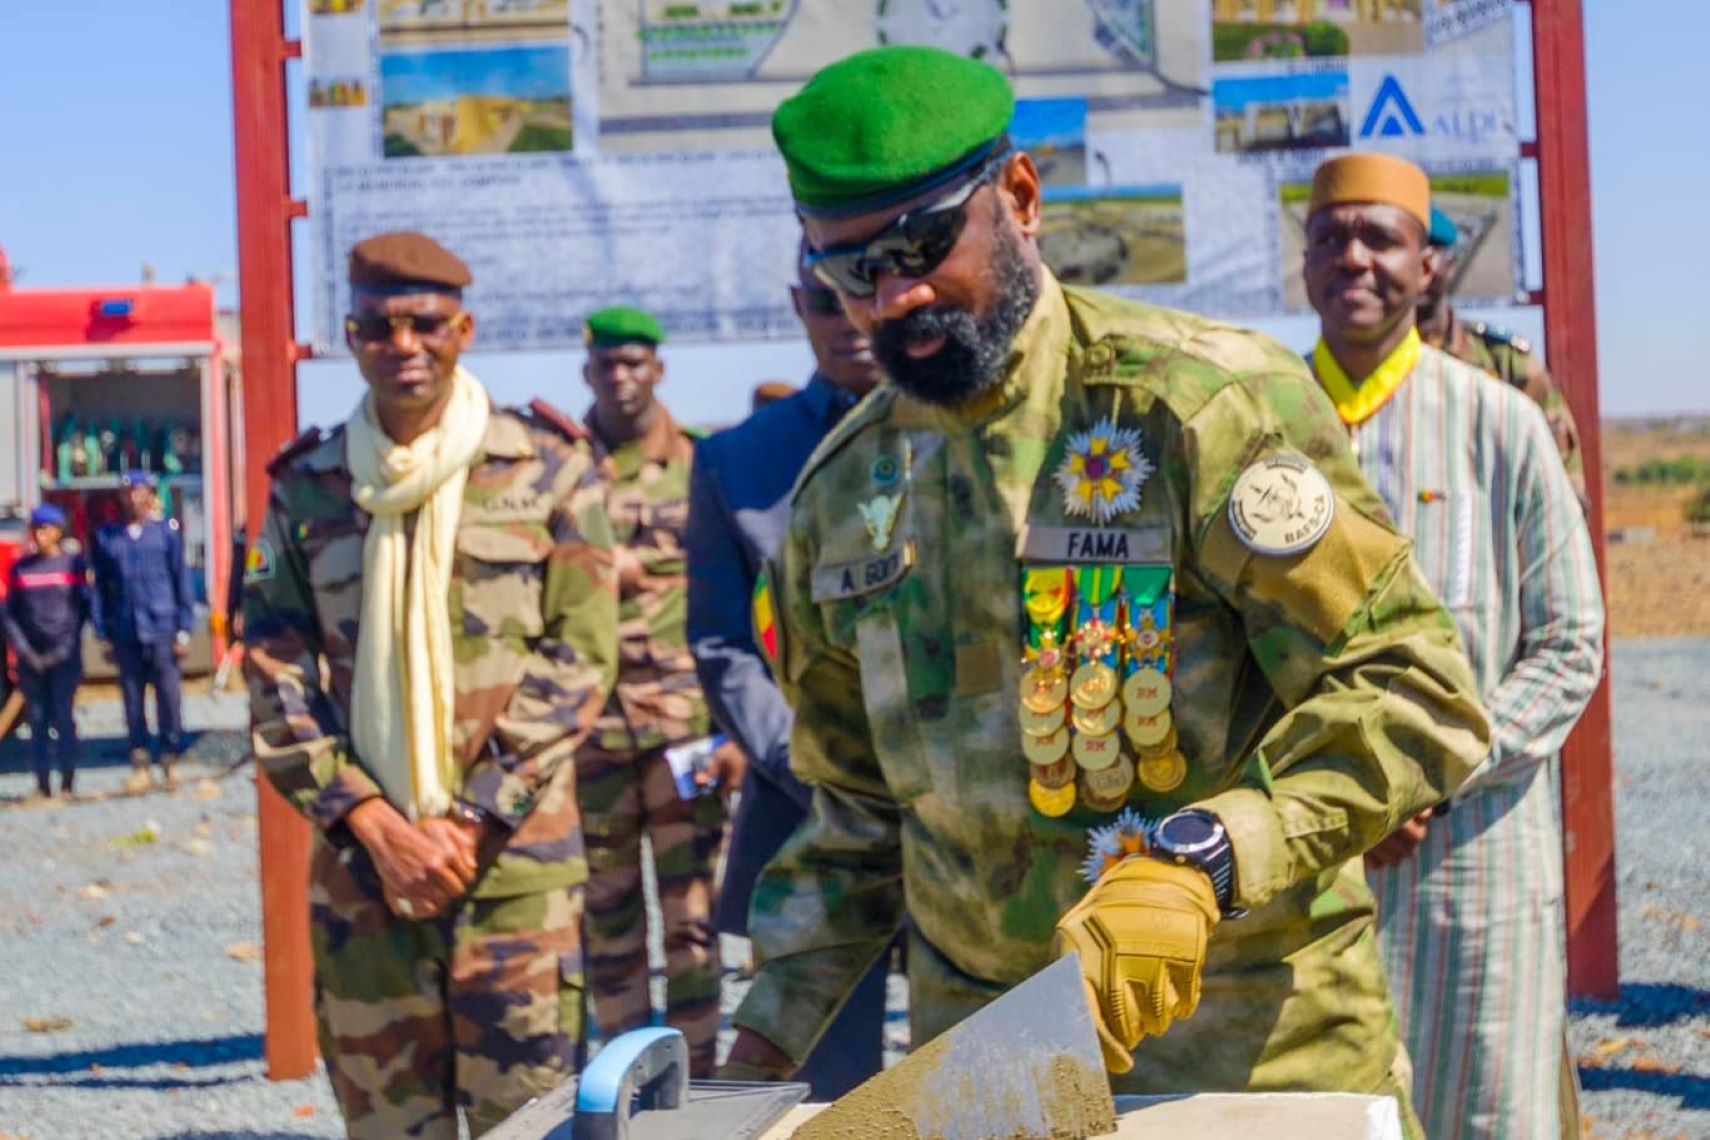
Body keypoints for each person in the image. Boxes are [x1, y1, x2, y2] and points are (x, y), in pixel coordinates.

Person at [720, 46, 1490, 1131]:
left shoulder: (1192, 409)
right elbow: (857, 815)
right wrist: (750, 1055)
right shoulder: (845, 497)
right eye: (851, 271)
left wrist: (1208, 860)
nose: (894, 297)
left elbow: (1414, 687)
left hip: (1245, 1057)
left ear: (1022, 197)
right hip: (993, 1079)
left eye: (923, 245)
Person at [244, 232, 619, 1138]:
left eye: (425, 324)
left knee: (528, 1125)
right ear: (351, 335)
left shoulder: (549, 469)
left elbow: (580, 654)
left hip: (514, 868)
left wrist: (467, 822)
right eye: (377, 327)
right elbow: (273, 671)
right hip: (366, 875)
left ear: (464, 329)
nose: (402, 345)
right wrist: (374, 825)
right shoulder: (310, 488)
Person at [1302, 153, 1605, 1139]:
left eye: (1380, 238)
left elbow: (1567, 644)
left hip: (1471, 869)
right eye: (1331, 237)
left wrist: (1426, 774)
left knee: (1484, 1112)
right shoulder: (1254, 427)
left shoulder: (1500, 423)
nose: (1354, 257)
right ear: (1301, 264)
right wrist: (1333, 796)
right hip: (1300, 874)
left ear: (1427, 268)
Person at [686, 245, 889, 1099]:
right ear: (797, 305)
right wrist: (812, 762)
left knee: (996, 1081)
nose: (848, 319)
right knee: (821, 1093)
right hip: (810, 814)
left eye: (863, 294)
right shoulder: (739, 462)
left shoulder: (975, 432)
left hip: (976, 828)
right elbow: (723, 643)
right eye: (824, 299)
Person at [576, 305, 729, 1077]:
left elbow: (729, 585)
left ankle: (697, 1081)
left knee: (693, 920)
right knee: (608, 920)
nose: (621, 376)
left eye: (634, 362)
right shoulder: (560, 467)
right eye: (607, 364)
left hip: (682, 729)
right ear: (588, 372)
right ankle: (627, 1084)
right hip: (589, 730)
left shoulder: (702, 464)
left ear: (658, 369)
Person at [1419, 206, 1588, 509]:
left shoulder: (1506, 364)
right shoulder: (1361, 365)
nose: (1422, 271)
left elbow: (1564, 494)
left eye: (1431, 258)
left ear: (1451, 265)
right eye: (1411, 257)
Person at [91, 470, 194, 792]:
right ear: (120, 498)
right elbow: (101, 591)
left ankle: (170, 757)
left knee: (169, 696)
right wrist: (102, 631)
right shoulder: (107, 538)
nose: (134, 498)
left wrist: (184, 629)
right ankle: (139, 761)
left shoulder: (166, 534)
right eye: (128, 492)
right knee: (132, 699)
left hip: (162, 627)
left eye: (141, 492)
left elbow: (182, 582)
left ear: (151, 496)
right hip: (126, 629)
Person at [3, 504, 90, 799]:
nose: (39, 535)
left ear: (58, 531)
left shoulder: (72, 565)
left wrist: (65, 648)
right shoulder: (21, 569)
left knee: (63, 718)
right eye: (35, 529)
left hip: (64, 656)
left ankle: (67, 782)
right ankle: (42, 784)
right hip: (32, 658)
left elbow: (80, 611)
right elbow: (10, 615)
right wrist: (25, 652)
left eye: (45, 529)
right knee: (37, 721)